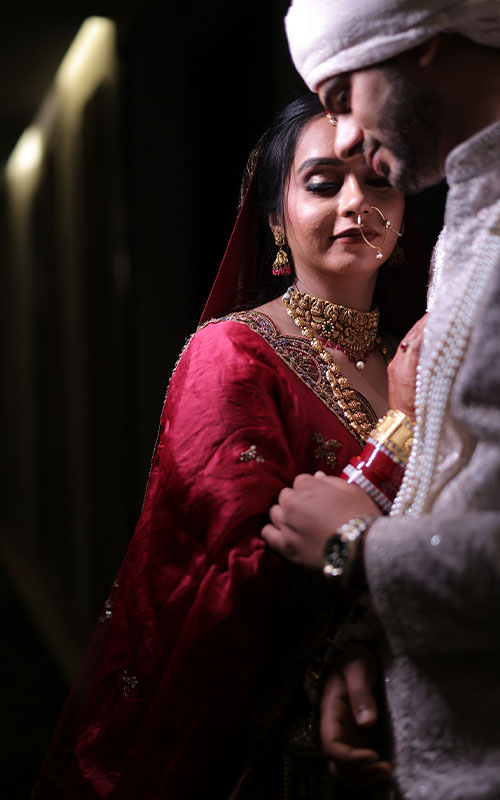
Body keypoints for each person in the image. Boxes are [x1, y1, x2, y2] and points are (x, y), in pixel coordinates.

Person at [31, 92, 421, 800]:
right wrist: (398, 438)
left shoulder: (411, 358)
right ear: (275, 218)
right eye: (323, 183)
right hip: (287, 746)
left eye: (379, 180)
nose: (356, 202)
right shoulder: (233, 355)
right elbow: (232, 578)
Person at [263, 2, 500, 799]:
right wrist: (372, 643)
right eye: (320, 182)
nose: (346, 140)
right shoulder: (470, 222)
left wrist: (356, 550)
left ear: (419, 44)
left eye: (342, 96)